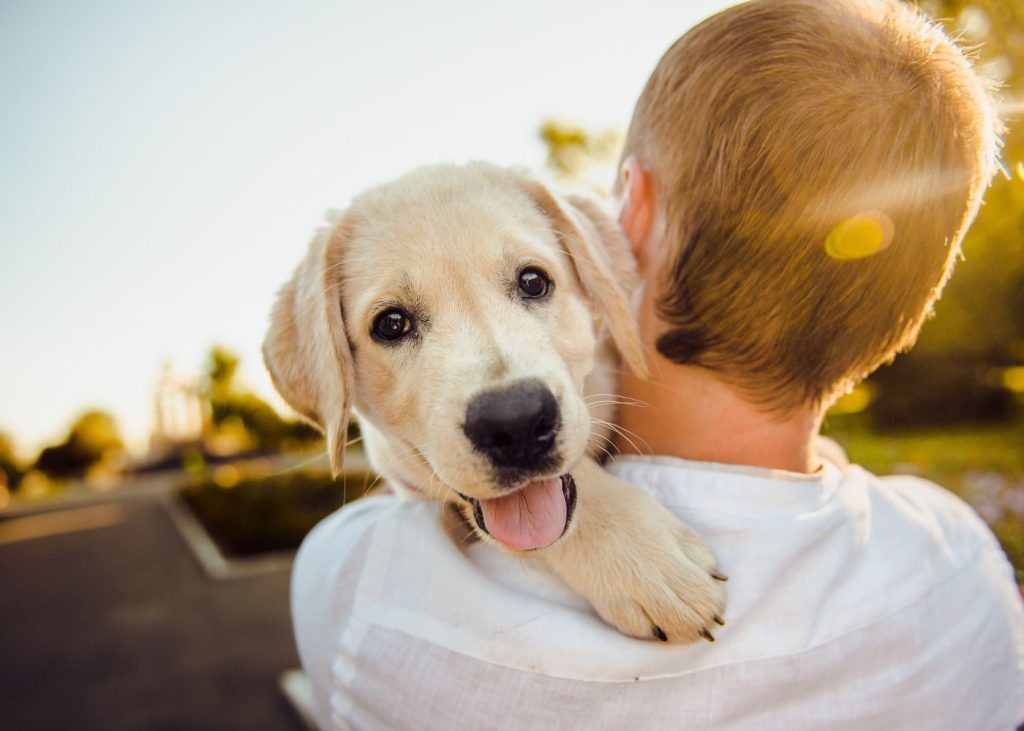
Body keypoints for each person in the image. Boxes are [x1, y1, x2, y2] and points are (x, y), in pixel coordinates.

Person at [291, 1, 1024, 728]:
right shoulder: (964, 565)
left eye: (532, 283)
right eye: (395, 323)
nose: (505, 391)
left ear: (629, 213)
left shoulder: (359, 587)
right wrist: (586, 513)